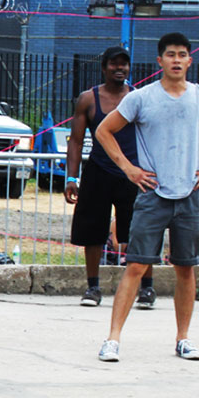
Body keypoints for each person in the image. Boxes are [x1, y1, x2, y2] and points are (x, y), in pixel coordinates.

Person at [95, 32, 199, 362]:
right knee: (136, 265)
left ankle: (183, 338)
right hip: (153, 193)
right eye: (171, 55)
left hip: (190, 194)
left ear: (190, 60)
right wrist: (129, 168)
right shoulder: (142, 98)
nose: (177, 60)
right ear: (160, 61)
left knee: (185, 268)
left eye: (182, 55)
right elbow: (104, 130)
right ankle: (113, 339)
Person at [65, 46, 155, 308]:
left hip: (133, 172)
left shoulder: (139, 98)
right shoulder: (88, 99)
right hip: (99, 170)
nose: (120, 69)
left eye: (124, 64)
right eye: (114, 64)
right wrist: (72, 178)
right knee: (92, 232)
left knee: (140, 230)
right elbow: (76, 141)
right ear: (104, 68)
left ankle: (147, 288)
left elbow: (152, 136)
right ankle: (93, 287)